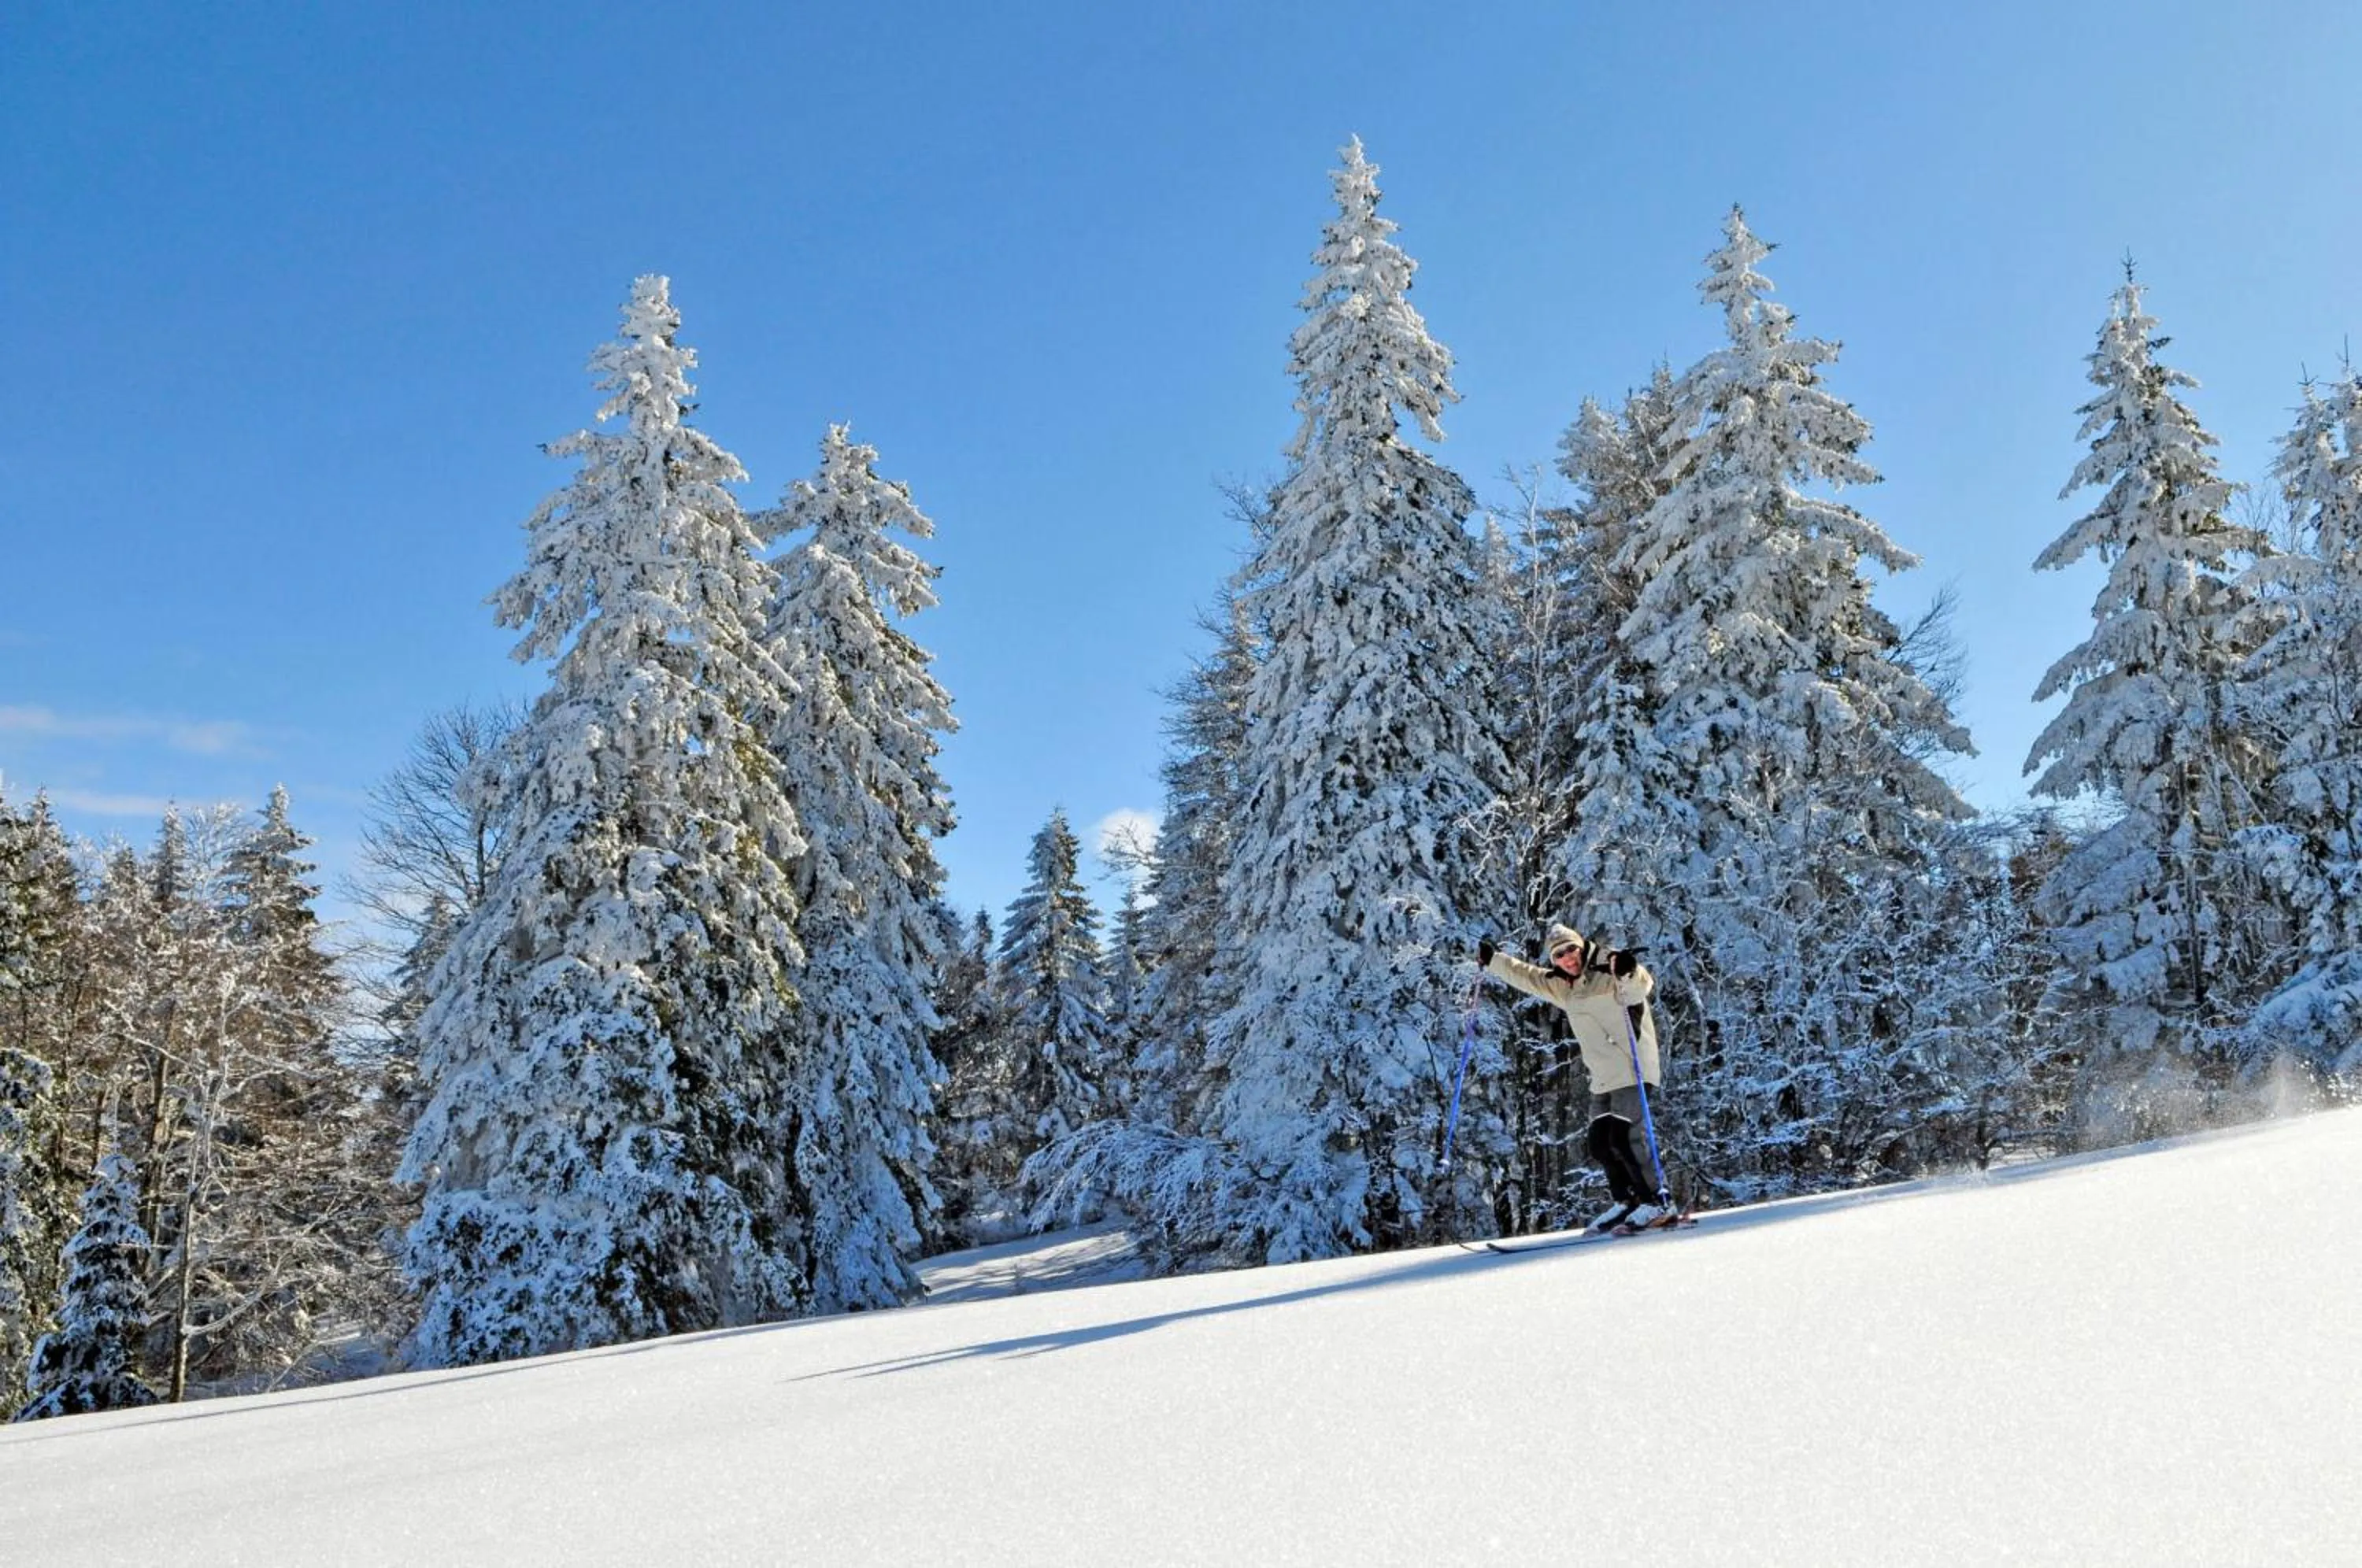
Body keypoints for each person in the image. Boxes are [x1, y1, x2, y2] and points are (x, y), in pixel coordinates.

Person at [1477, 923, 1675, 1233]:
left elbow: (1639, 986)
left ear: (1581, 946)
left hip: (1632, 1067)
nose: (1568, 958)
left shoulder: (1608, 964)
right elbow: (1527, 976)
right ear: (1554, 960)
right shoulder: (1562, 985)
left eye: (1572, 949)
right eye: (1559, 955)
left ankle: (1658, 1201)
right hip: (1603, 1075)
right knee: (1599, 1143)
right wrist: (1494, 961)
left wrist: (1627, 970)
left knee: (1624, 1138)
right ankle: (1627, 1203)